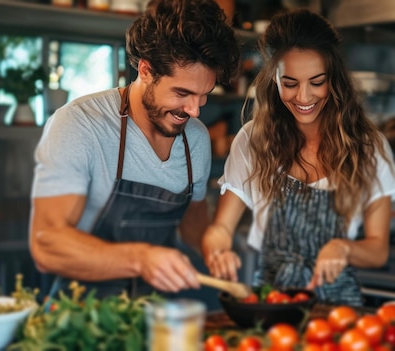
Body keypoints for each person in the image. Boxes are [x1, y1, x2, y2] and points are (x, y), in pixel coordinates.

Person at [29, 0, 241, 299]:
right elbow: (46, 244)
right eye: (182, 93)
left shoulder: (196, 139)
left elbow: (194, 224)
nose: (194, 111)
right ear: (146, 70)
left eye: (203, 95)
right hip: (82, 315)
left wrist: (215, 250)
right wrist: (141, 259)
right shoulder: (81, 125)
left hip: (157, 312)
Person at [202, 9, 395, 306]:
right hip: (272, 306)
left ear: (335, 79)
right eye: (290, 83)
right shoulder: (253, 141)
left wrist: (344, 248)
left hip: (339, 312)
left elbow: (378, 251)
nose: (304, 97)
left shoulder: (368, 146)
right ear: (274, 80)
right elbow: (220, 229)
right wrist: (217, 247)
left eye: (317, 82)